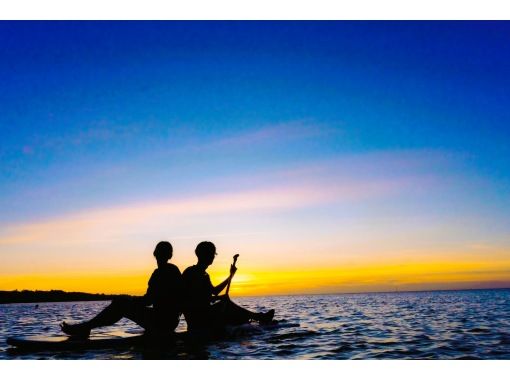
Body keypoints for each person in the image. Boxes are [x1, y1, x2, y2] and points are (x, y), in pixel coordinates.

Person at [61, 241, 183, 338]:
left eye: (160, 252)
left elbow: (148, 301)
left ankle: (85, 327)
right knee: (122, 303)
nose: (159, 255)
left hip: (163, 322)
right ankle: (86, 327)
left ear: (156, 253)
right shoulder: (170, 271)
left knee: (121, 304)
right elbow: (150, 300)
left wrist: (128, 299)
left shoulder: (165, 272)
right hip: (168, 322)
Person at [182, 241, 274, 334]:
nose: (213, 256)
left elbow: (214, 291)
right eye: (212, 254)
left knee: (227, 305)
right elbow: (196, 300)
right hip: (198, 318)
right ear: (205, 255)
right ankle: (258, 317)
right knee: (225, 304)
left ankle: (256, 317)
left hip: (203, 314)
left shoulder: (204, 274)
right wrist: (220, 298)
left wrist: (231, 276)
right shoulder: (193, 272)